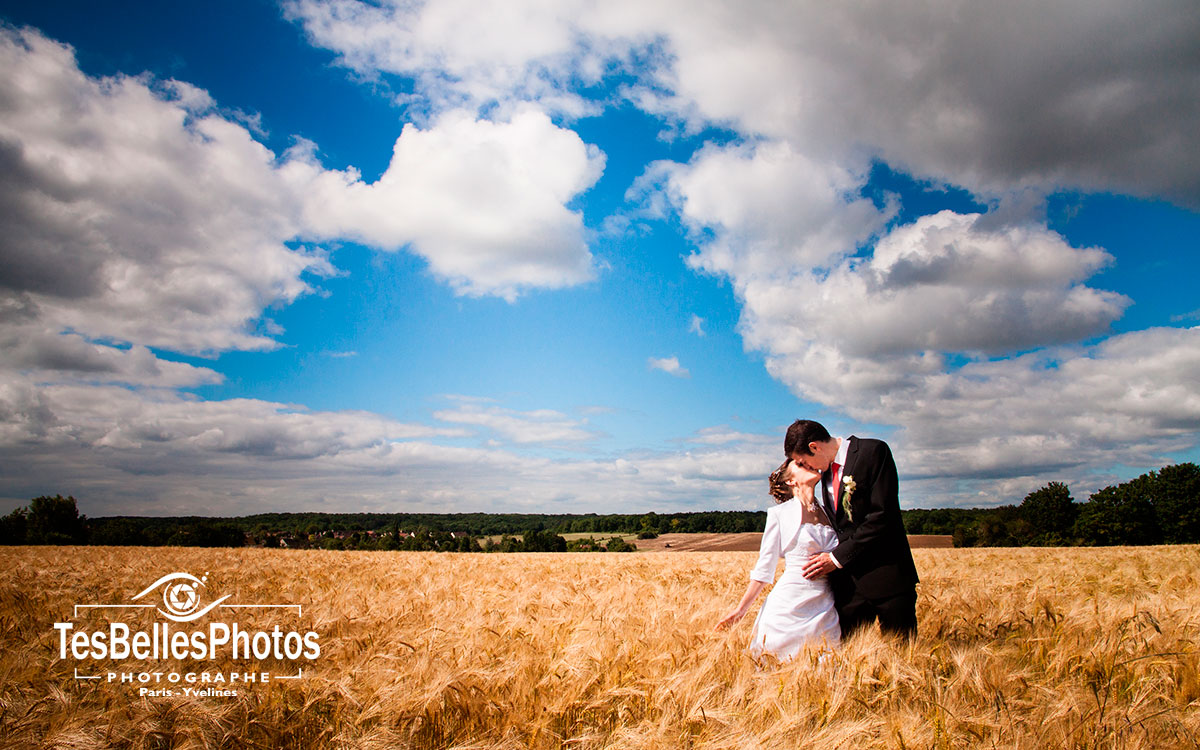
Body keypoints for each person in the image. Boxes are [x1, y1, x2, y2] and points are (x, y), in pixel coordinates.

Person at [786, 419, 919, 639]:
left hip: (887, 578)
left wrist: (835, 558)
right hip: (849, 588)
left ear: (814, 447)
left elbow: (882, 516)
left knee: (904, 653)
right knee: (849, 659)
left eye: (803, 461)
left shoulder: (873, 451)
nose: (806, 467)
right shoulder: (824, 473)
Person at [715, 459, 841, 662]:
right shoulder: (779, 514)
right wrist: (740, 610)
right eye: (801, 465)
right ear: (791, 481)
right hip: (787, 608)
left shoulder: (830, 512)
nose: (810, 464)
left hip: (826, 606)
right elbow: (764, 568)